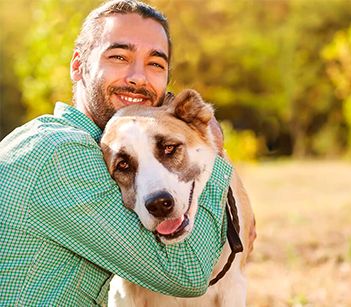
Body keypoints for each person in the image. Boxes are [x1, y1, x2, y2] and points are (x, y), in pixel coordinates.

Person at [0, 1, 232, 306]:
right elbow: (187, 273)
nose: (138, 77)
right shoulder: (61, 153)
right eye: (119, 56)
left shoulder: (92, 150)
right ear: (77, 66)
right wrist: (210, 147)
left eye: (155, 64)